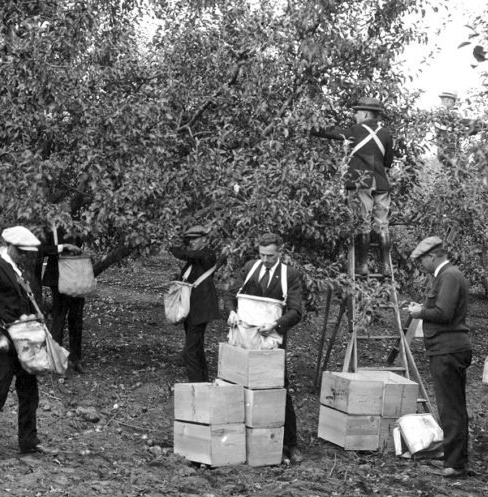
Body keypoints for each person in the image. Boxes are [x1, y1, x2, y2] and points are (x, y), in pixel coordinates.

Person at [0, 226, 57, 461]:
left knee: (29, 393)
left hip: (24, 341)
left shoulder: (19, 270)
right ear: (12, 248)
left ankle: (29, 443)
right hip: (5, 341)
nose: (26, 256)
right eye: (23, 252)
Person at [224, 232, 304, 463]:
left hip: (271, 341)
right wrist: (230, 312)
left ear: (280, 252)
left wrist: (276, 325)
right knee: (240, 385)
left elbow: (296, 311)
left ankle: (290, 443)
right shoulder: (250, 267)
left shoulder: (289, 275)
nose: (266, 259)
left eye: (270, 256)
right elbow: (231, 295)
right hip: (244, 339)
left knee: (279, 388)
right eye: (262, 255)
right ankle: (242, 440)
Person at [408, 236, 471, 477]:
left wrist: (419, 312)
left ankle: (454, 464)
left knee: (450, 407)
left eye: (422, 260)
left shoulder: (449, 276)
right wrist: (422, 310)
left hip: (449, 348)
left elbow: (443, 313)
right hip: (447, 348)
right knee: (452, 406)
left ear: (432, 256)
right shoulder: (447, 276)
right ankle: (455, 458)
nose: (422, 265)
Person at [312, 97, 394, 275]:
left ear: (365, 113)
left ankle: (363, 265)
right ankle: (386, 266)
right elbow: (388, 162)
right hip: (381, 183)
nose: (355, 116)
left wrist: (309, 127)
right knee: (382, 225)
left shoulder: (355, 130)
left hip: (361, 182)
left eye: (357, 113)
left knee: (362, 223)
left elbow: (331, 133)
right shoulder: (386, 133)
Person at [169, 225, 219, 382]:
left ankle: (196, 386)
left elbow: (184, 253)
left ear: (204, 239)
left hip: (200, 309)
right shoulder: (196, 257)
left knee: (191, 351)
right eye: (188, 239)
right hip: (191, 308)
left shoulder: (207, 254)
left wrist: (170, 245)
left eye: (194, 239)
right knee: (196, 349)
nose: (191, 242)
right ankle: (203, 382)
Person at [38, 228, 84, 373]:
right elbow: (41, 250)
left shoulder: (78, 221)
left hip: (76, 274)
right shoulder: (51, 224)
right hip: (58, 276)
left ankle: (75, 359)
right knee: (59, 316)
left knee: (76, 317)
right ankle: (55, 359)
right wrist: (62, 248)